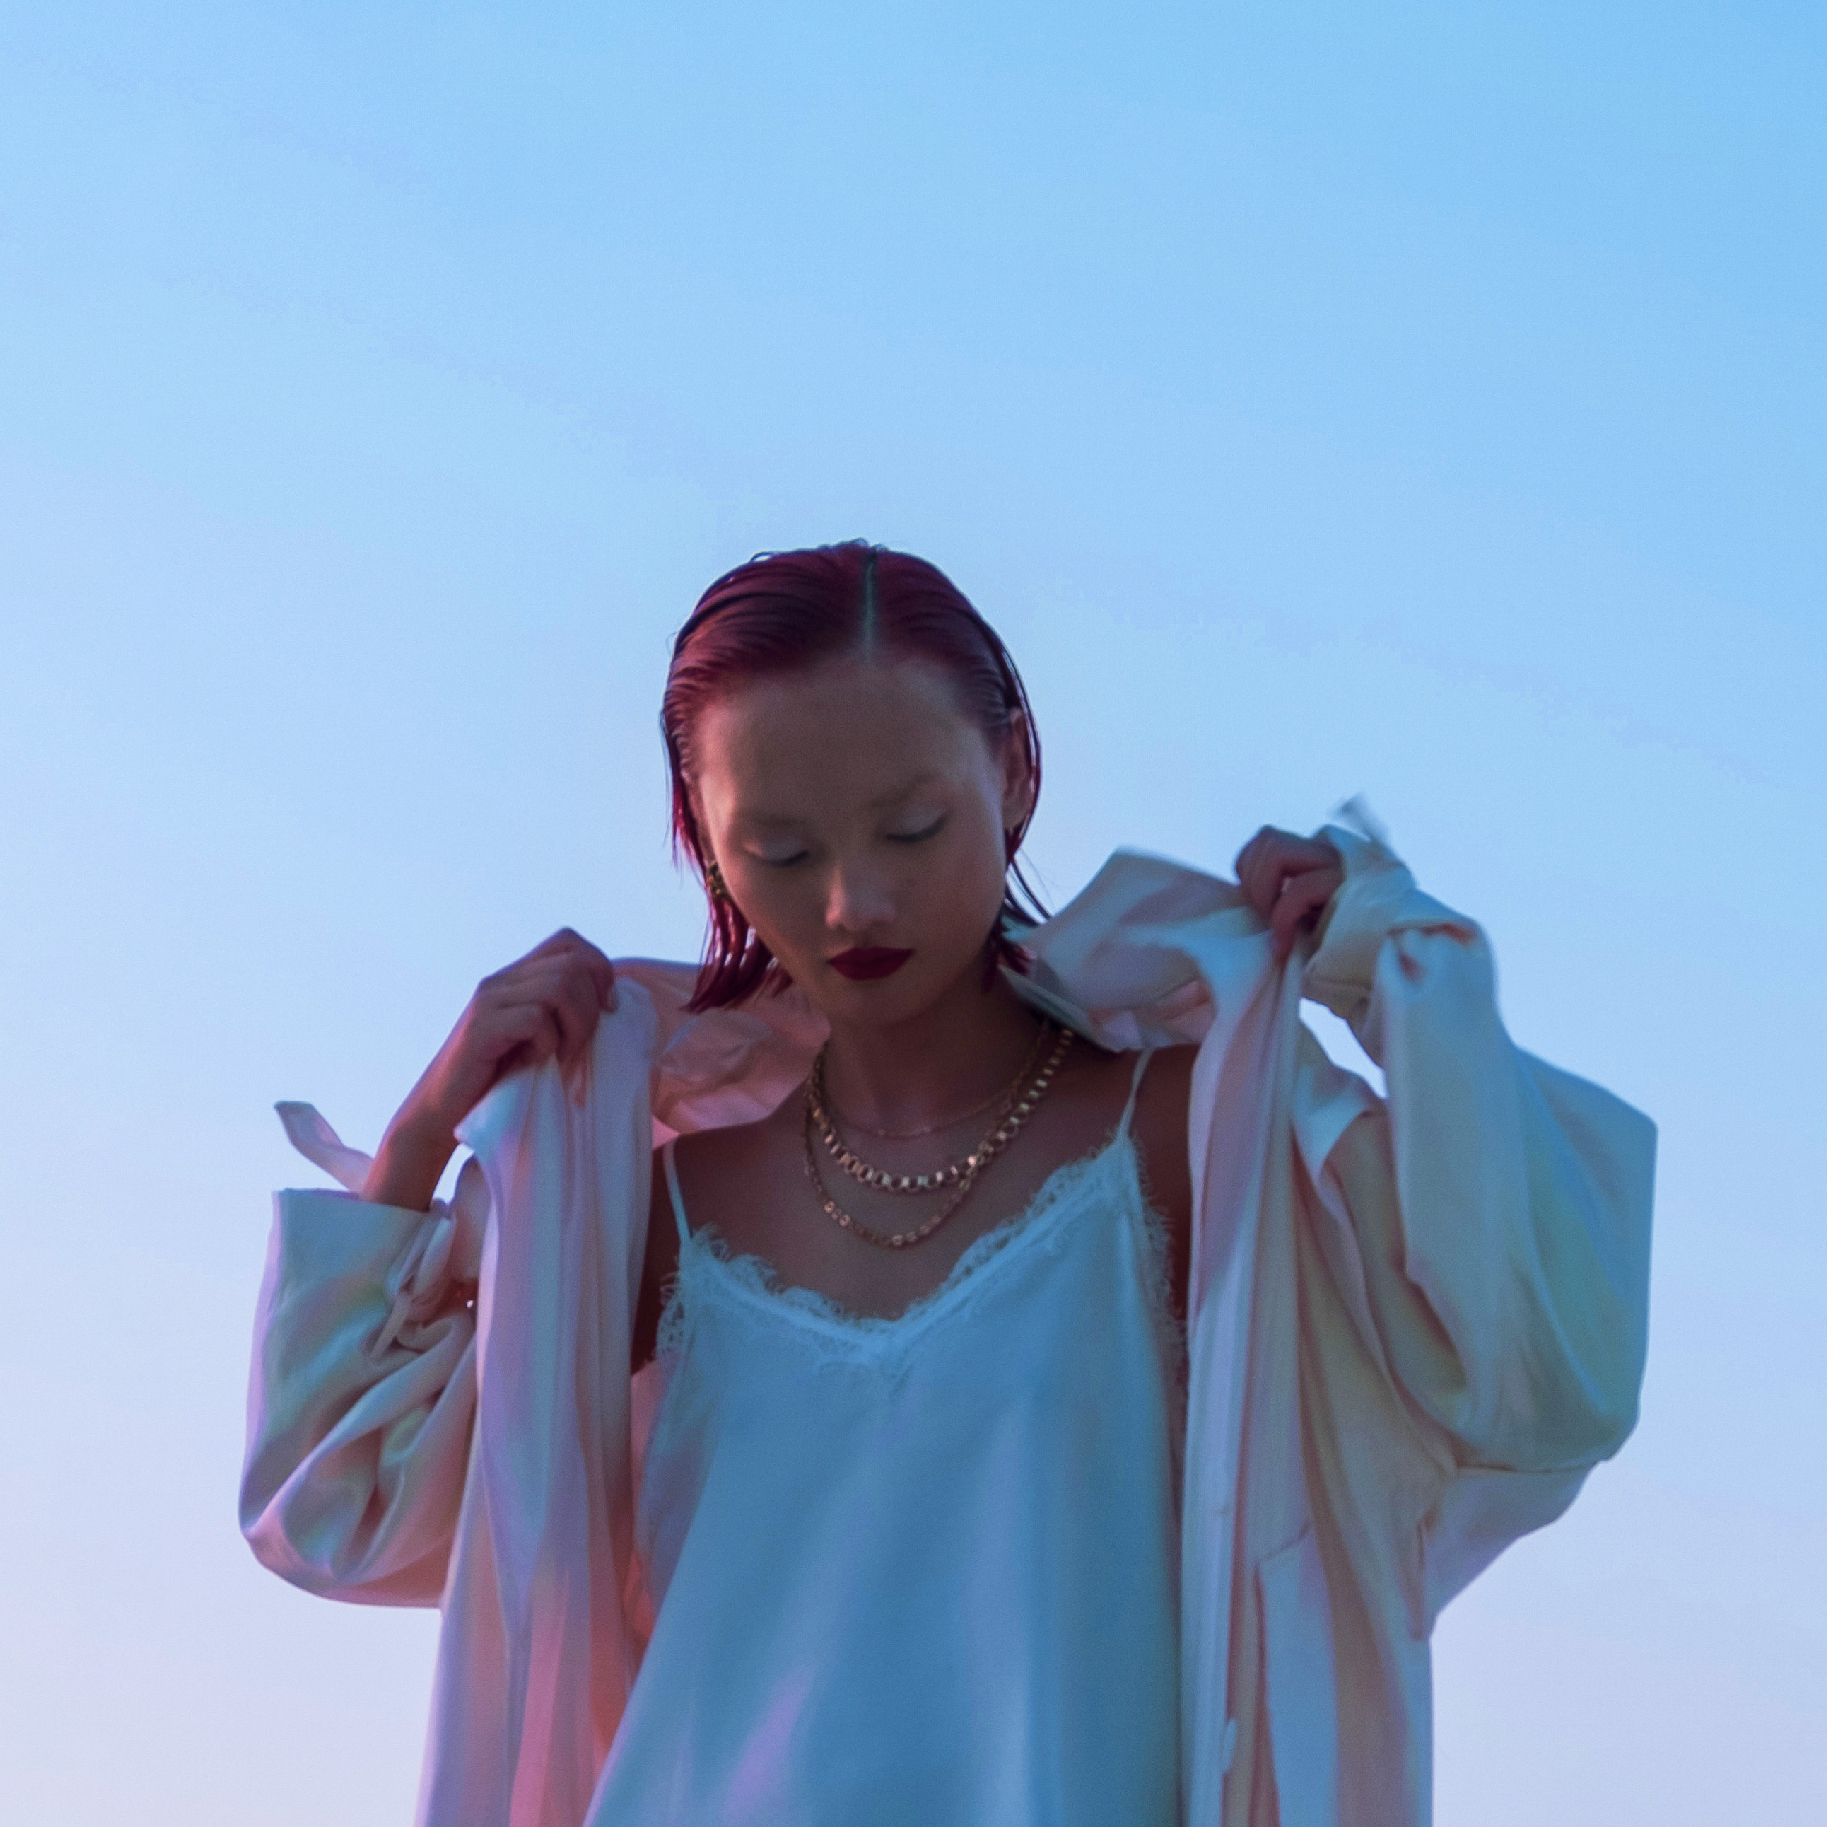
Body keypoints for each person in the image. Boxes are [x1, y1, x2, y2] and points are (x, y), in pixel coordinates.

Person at [242, 541, 1655, 1827]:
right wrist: (427, 1129)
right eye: (779, 850)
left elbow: (1540, 1377)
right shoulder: (665, 1212)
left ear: (1014, 776)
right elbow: (340, 1511)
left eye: (911, 827)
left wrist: (1377, 963)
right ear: (704, 840)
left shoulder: (1189, 1131)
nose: (851, 901)